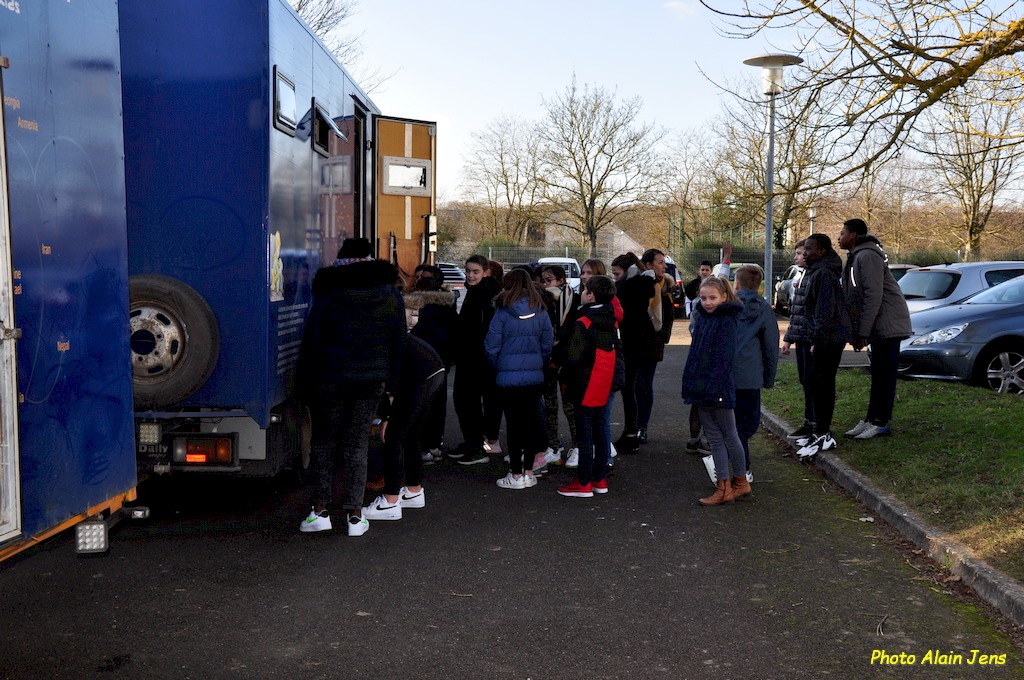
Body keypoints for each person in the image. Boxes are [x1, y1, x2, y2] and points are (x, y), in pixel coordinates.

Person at [296, 237, 406, 537]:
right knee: (357, 442)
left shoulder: (329, 292)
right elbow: (398, 343)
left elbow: (313, 340)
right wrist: (392, 386)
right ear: (370, 259)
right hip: (371, 380)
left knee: (324, 442)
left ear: (341, 259)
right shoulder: (390, 294)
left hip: (329, 378)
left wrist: (303, 382)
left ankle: (319, 511)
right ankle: (355, 517)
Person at [838, 218, 912, 440]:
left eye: (842, 233)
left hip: (888, 325)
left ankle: (881, 422)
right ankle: (871, 418)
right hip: (878, 326)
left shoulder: (867, 256)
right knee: (877, 374)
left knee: (885, 375)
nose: (838, 237)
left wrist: (863, 331)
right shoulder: (857, 256)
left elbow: (872, 296)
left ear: (853, 235)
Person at [362, 334, 446, 521]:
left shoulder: (371, 338)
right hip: (430, 370)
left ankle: (390, 501)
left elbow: (384, 379)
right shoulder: (385, 327)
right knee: (410, 434)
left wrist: (387, 415)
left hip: (419, 376)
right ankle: (413, 490)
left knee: (394, 437)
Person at [682, 275, 749, 505]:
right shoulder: (702, 317)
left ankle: (734, 484)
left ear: (723, 296)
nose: (708, 302)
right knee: (716, 436)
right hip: (701, 385)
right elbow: (696, 354)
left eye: (712, 298)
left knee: (726, 435)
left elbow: (724, 359)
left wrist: (712, 387)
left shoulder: (727, 320)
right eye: (703, 298)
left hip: (716, 386)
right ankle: (729, 484)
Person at [484, 269, 553, 489]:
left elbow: (491, 346)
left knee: (513, 425)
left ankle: (514, 474)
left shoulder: (502, 312)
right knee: (531, 424)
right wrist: (537, 363)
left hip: (507, 377)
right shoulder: (541, 310)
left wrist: (500, 367)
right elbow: (547, 344)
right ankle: (529, 472)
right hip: (534, 377)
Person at [557, 275, 622, 498]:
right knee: (600, 432)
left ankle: (583, 481)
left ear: (591, 295)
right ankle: (599, 478)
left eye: (584, 290)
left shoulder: (583, 322)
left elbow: (573, 358)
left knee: (585, 435)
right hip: (604, 382)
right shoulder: (610, 320)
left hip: (584, 384)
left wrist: (562, 374)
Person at [794, 233, 852, 460]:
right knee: (816, 384)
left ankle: (823, 433)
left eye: (808, 249)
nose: (804, 253)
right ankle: (819, 431)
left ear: (821, 251)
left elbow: (824, 311)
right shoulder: (818, 271)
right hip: (824, 337)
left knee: (822, 384)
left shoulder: (824, 274)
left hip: (828, 339)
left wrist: (817, 341)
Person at [615, 248, 674, 448]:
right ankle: (634, 428)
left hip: (652, 343)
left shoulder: (665, 286)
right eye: (660, 262)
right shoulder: (639, 284)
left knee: (644, 384)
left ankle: (642, 427)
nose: (664, 266)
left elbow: (668, 314)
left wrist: (663, 335)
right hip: (635, 341)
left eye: (664, 262)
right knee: (633, 385)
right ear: (648, 265)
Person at [449, 255, 501, 466]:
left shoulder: (484, 294)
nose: (470, 275)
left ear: (486, 272)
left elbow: (478, 328)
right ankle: (473, 442)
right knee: (466, 401)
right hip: (471, 355)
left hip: (476, 357)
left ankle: (476, 446)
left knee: (467, 401)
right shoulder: (478, 292)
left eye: (475, 272)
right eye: (468, 271)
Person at [403, 268, 458, 463]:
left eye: (420, 277)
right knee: (438, 402)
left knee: (419, 403)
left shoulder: (414, 303)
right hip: (442, 359)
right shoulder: (448, 303)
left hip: (419, 360)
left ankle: (422, 445)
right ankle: (435, 443)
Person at [732, 264, 779, 482]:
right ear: (759, 286)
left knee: (727, 424)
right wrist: (768, 378)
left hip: (727, 374)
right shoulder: (764, 310)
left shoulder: (727, 307)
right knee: (745, 424)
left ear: (737, 283)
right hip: (751, 377)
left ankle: (733, 467)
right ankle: (743, 468)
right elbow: (770, 347)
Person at [541, 264, 581, 467]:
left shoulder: (572, 300)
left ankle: (577, 446)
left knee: (570, 406)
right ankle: (552, 446)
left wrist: (558, 359)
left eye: (550, 280)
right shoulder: (543, 302)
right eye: (544, 280)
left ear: (561, 280)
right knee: (549, 405)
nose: (546, 284)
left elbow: (571, 334)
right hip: (547, 361)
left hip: (565, 363)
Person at [781, 240, 815, 443]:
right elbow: (797, 312)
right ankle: (808, 421)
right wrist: (788, 339)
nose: (796, 257)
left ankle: (814, 423)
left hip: (810, 340)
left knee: (812, 382)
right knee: (805, 381)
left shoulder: (814, 277)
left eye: (800, 253)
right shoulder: (802, 276)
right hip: (801, 338)